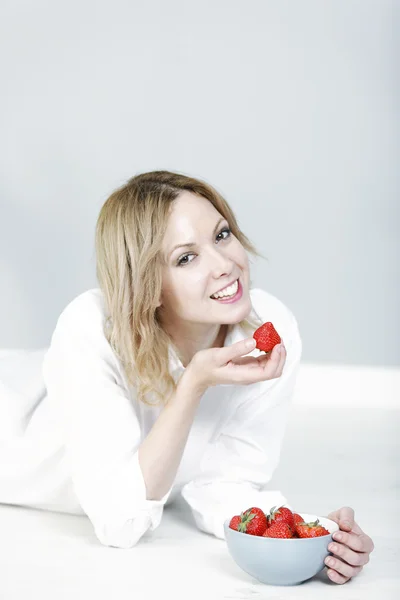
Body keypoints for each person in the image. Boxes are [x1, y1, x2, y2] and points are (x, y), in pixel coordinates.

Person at [0, 170, 373, 583]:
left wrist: (315, 536)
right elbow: (120, 521)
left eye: (222, 234)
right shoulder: (90, 328)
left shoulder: (270, 327)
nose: (225, 264)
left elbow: (223, 484)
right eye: (186, 257)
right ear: (149, 285)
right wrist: (193, 384)